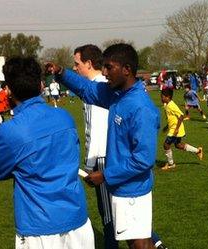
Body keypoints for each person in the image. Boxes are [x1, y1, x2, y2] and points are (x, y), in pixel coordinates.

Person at [49, 43, 161, 249]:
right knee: (135, 241)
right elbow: (88, 89)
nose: (105, 72)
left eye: (109, 67)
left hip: (133, 190)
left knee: (140, 244)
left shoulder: (140, 107)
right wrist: (61, 73)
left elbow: (144, 159)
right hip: (123, 187)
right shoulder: (117, 95)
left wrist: (105, 175)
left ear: (126, 69)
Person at [0, 57, 94, 249]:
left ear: (8, 90)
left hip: (39, 228)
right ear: (42, 85)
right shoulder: (65, 117)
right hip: (77, 222)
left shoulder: (8, 131)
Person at [160, 88, 204, 170]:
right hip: (173, 128)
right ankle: (198, 151)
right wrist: (166, 126)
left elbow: (181, 116)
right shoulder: (166, 105)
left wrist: (176, 129)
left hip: (175, 129)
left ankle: (171, 164)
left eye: (162, 97)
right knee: (178, 145)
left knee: (166, 145)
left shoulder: (171, 105)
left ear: (168, 97)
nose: (161, 99)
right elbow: (170, 118)